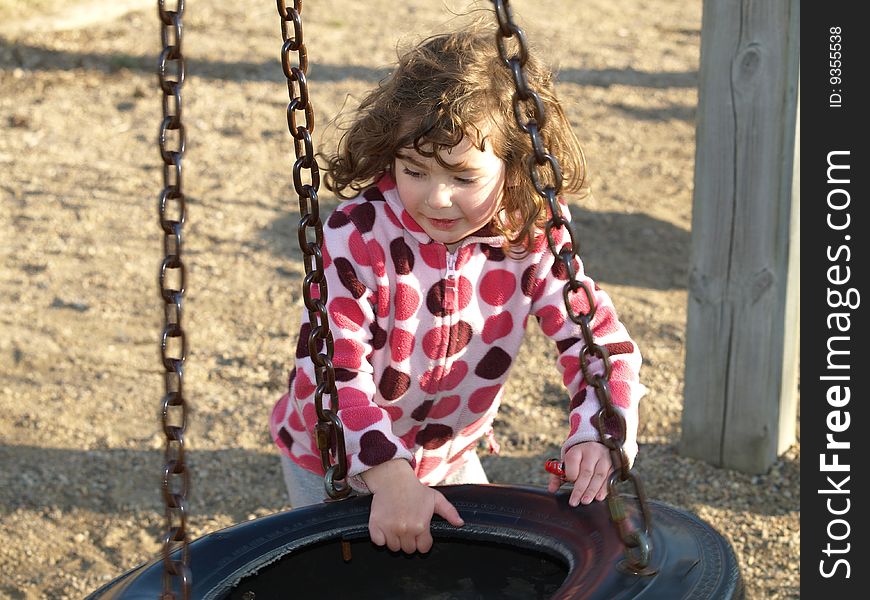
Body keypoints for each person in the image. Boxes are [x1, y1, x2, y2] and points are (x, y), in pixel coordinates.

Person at [269, 21, 644, 556]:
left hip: (450, 454)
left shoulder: (531, 234)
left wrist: (598, 430)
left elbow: (600, 343)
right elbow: (332, 371)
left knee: (483, 567)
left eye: (464, 178)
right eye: (413, 169)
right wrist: (390, 477)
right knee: (351, 574)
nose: (436, 198)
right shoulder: (358, 236)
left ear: (514, 166)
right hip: (336, 459)